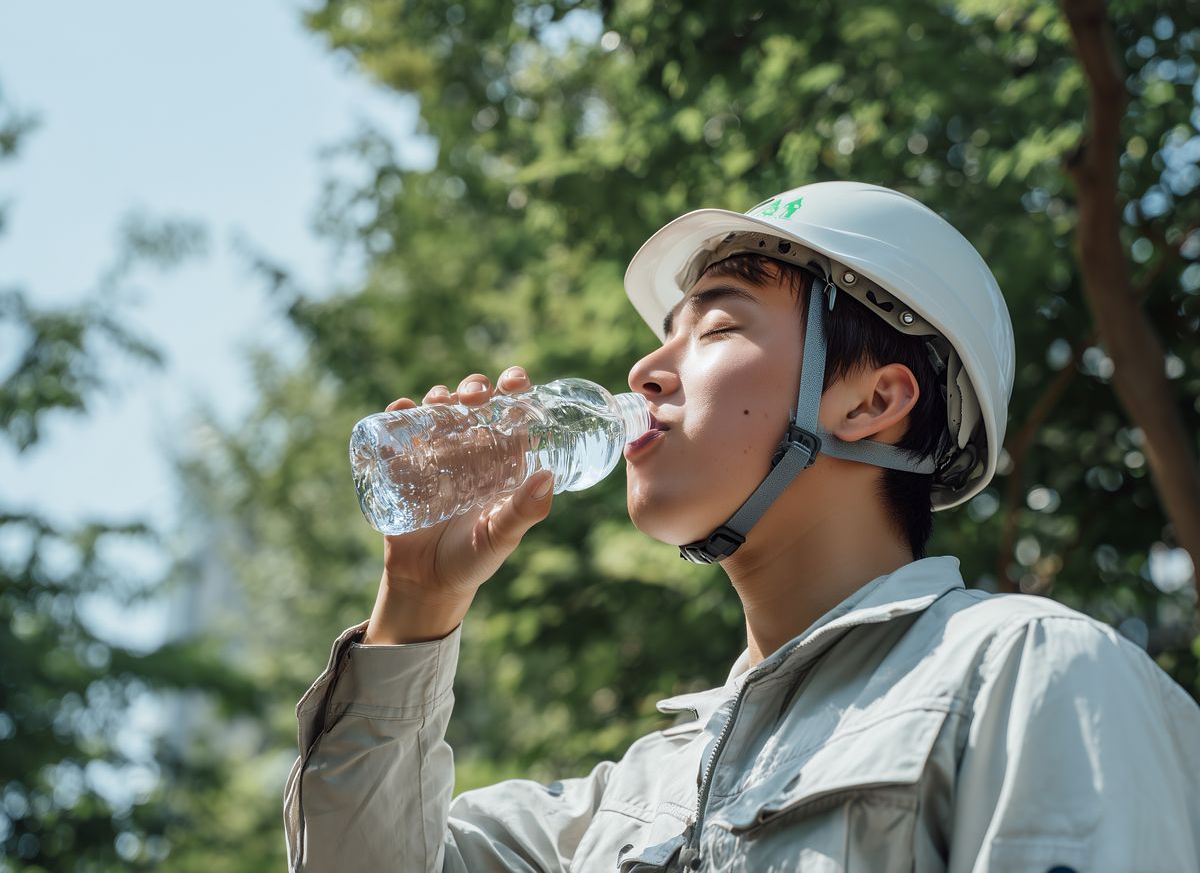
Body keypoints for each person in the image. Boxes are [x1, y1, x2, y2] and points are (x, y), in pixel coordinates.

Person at [283, 182, 1200, 872]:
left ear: (873, 400)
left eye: (716, 327)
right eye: (666, 333)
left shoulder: (1027, 673)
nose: (646, 367)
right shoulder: (615, 811)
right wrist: (416, 603)